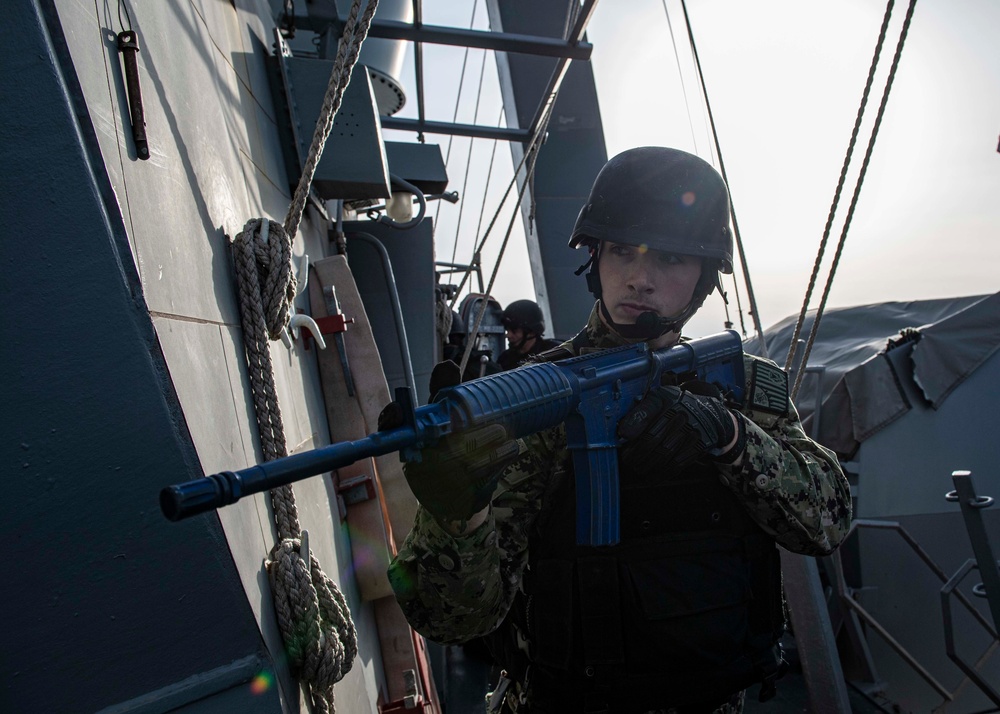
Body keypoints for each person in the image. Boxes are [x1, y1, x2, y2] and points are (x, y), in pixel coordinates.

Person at [385, 147, 852, 713]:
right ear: (595, 260)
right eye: (622, 252)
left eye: (672, 259)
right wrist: (457, 513)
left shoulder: (741, 387)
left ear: (705, 277)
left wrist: (730, 437)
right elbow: (453, 618)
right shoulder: (539, 398)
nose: (640, 279)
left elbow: (827, 521)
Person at [497, 299, 562, 370]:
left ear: (531, 332)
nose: (508, 335)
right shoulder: (504, 359)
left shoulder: (555, 353)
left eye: (514, 331)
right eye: (507, 330)